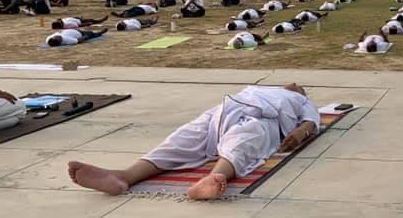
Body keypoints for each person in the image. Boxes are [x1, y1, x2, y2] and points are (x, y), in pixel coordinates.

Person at [68, 84, 320, 200]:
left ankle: (212, 179)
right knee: (182, 139)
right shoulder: (261, 88)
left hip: (266, 119)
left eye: (299, 87)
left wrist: (300, 132)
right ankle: (124, 176)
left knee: (242, 141)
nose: (295, 84)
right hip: (223, 111)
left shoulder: (302, 102)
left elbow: (309, 123)